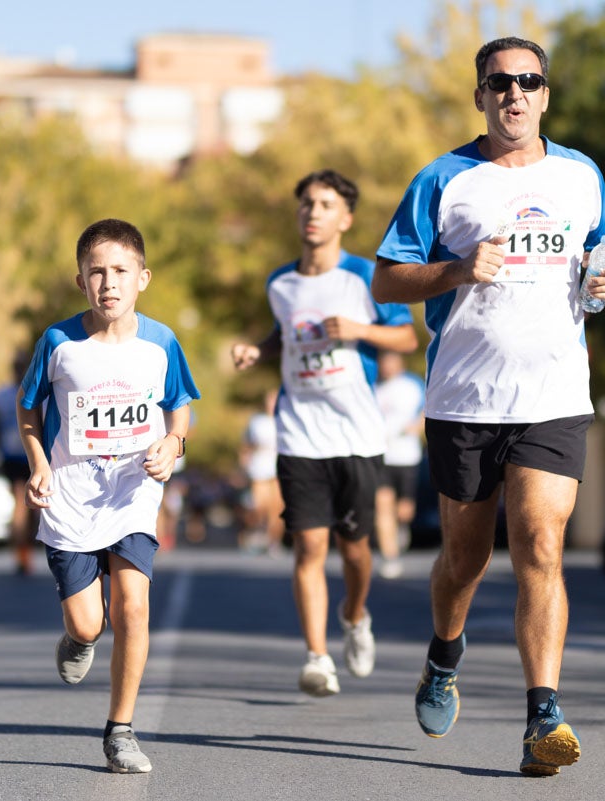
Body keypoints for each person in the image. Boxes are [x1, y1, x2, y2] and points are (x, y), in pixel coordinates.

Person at [373, 37, 605, 776]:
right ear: (480, 95)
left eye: (529, 81)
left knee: (541, 545)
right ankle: (444, 655)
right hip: (464, 398)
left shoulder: (581, 175)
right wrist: (455, 269)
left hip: (554, 395)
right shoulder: (445, 179)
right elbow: (388, 280)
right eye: (500, 82)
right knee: (465, 556)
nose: (515, 93)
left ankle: (542, 713)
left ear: (546, 94)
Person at [16, 218, 199, 774]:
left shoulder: (161, 342)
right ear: (80, 282)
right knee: (89, 623)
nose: (109, 283)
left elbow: (181, 404)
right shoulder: (59, 343)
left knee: (134, 608)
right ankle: (77, 639)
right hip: (70, 498)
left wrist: (173, 442)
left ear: (143, 277)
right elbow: (28, 409)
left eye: (120, 271)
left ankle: (120, 731)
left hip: (133, 493)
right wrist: (40, 463)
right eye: (96, 272)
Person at [231, 169, 418, 697]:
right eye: (307, 204)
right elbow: (283, 333)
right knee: (309, 545)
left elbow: (405, 337)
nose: (313, 212)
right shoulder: (280, 283)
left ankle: (355, 617)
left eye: (326, 204)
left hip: (357, 434)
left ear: (346, 218)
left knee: (355, 548)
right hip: (299, 433)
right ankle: (317, 657)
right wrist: (258, 351)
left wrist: (359, 330)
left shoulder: (365, 276)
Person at [0, 352, 37, 575]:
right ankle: (22, 555)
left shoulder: (7, 394)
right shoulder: (8, 394)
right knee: (23, 506)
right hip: (18, 456)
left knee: (26, 508)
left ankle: (23, 552)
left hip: (23, 455)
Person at [373, 349, 425, 579]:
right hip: (380, 455)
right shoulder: (373, 387)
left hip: (406, 456)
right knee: (382, 505)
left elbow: (428, 411)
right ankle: (389, 555)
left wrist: (415, 427)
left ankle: (400, 528)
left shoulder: (412, 384)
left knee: (404, 511)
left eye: (391, 361)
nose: (387, 366)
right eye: (383, 362)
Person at [239, 388, 284, 556]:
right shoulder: (257, 421)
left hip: (279, 469)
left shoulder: (285, 419)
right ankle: (255, 532)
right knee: (259, 506)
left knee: (277, 508)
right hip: (259, 468)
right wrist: (244, 461)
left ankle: (274, 542)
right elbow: (246, 443)